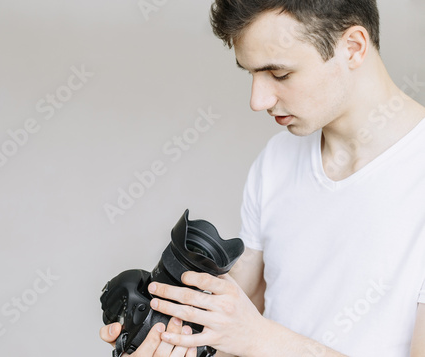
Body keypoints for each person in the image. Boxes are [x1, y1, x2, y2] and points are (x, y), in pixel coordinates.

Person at [101, 0, 425, 355]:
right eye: (251, 73)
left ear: (353, 47)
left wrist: (259, 338)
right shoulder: (277, 159)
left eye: (280, 74)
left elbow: (251, 334)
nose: (258, 100)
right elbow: (233, 329)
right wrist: (169, 335)